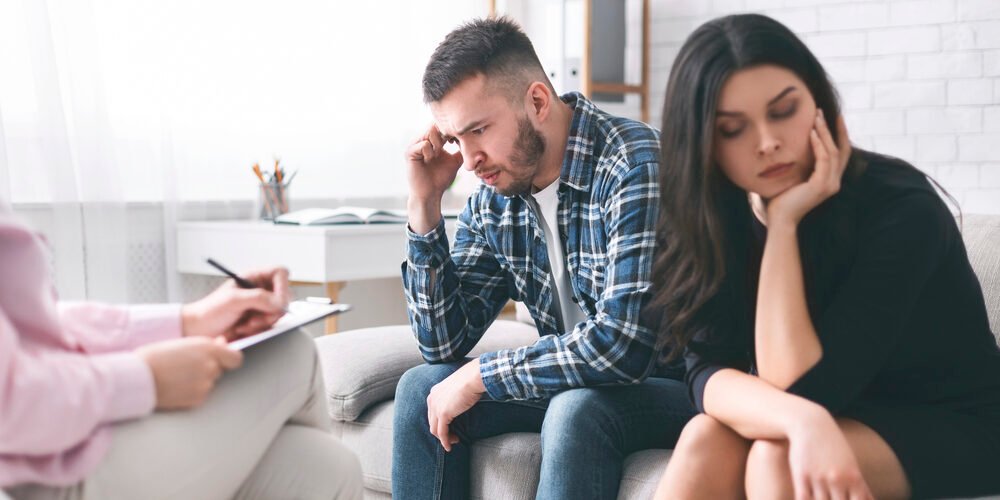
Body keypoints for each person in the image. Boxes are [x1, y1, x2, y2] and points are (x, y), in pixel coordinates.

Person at [647, 13, 1000, 500]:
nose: (767, 142)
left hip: (952, 421)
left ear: (817, 103)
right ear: (704, 144)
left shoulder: (901, 208)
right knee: (705, 438)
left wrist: (785, 226)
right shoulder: (710, 214)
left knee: (779, 459)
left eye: (783, 110)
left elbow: (800, 385)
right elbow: (705, 371)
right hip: (830, 411)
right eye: (733, 130)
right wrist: (803, 419)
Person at [393, 16, 694, 500]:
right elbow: (442, 343)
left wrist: (484, 374)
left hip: (672, 386)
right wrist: (425, 206)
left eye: (479, 131)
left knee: (578, 409)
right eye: (455, 139)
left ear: (536, 101)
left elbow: (623, 347)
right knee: (420, 389)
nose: (468, 160)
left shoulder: (635, 165)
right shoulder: (494, 198)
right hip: (578, 380)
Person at [0, 201, 363, 499]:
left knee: (328, 469)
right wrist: (145, 378)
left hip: (68, 439)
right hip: (47, 466)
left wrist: (188, 321)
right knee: (290, 350)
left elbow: (39, 328)